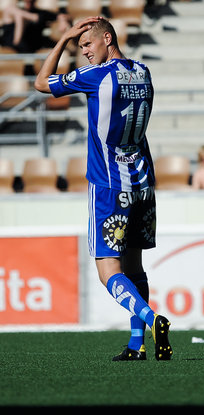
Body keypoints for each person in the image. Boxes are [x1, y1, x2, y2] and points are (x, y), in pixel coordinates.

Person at [34, 16, 173, 362]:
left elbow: (40, 83)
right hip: (142, 184)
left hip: (109, 184)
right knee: (135, 267)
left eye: (87, 45)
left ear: (107, 38)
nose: (83, 53)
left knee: (108, 270)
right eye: (80, 47)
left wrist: (64, 37)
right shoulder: (143, 71)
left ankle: (151, 319)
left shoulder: (96, 76)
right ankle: (137, 345)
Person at [1, 0, 71, 53]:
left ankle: (16, 43)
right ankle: (16, 43)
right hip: (9, 46)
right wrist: (30, 17)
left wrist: (62, 21)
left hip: (29, 47)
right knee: (17, 15)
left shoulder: (41, 13)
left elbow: (61, 15)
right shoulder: (13, 11)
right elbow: (10, 11)